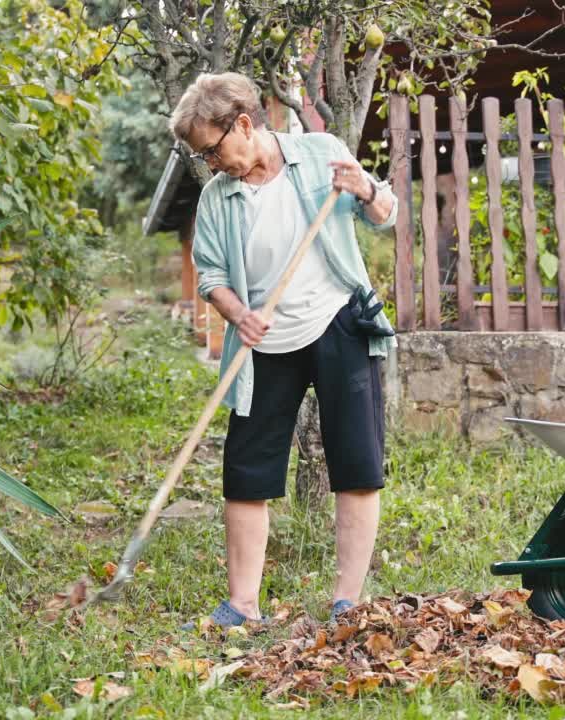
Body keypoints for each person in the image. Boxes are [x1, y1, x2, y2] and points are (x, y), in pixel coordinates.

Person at [169, 72, 398, 627]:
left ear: (243, 123)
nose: (210, 163)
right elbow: (212, 276)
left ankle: (348, 601)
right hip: (266, 340)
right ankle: (243, 604)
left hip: (339, 321)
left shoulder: (320, 153)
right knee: (247, 468)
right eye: (201, 156)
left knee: (357, 462)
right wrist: (236, 313)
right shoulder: (218, 197)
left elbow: (384, 213)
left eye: (211, 150)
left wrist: (366, 190)